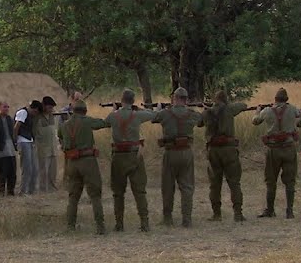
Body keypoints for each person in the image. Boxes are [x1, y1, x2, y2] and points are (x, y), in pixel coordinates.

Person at [105, 89, 157, 232]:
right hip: (134, 155)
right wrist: (139, 109)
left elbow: (106, 122)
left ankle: (119, 224)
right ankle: (145, 223)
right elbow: (153, 114)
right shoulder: (137, 115)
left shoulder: (113, 116)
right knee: (140, 191)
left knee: (118, 192)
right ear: (133, 101)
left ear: (121, 100)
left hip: (118, 156)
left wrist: (115, 111)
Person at [151, 87, 202, 227]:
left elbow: (154, 118)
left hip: (170, 152)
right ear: (186, 99)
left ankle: (167, 218)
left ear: (174, 98)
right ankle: (187, 219)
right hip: (186, 152)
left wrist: (159, 108)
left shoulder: (165, 113)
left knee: (168, 186)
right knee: (187, 186)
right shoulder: (192, 114)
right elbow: (201, 121)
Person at [252, 88, 301, 218]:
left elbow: (255, 121)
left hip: (273, 150)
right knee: (290, 181)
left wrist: (258, 110)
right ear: (286, 100)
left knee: (271, 181)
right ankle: (290, 211)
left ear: (275, 99)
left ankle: (270, 210)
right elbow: (299, 114)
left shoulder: (267, 111)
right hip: (289, 148)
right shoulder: (292, 109)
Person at [58, 99, 111, 234]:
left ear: (73, 111)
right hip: (87, 161)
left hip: (71, 163)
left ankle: (70, 226)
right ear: (85, 111)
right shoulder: (87, 121)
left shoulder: (64, 125)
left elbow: (60, 137)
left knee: (73, 197)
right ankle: (100, 227)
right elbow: (104, 123)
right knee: (95, 195)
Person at [202, 89, 251, 222]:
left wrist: (207, 108)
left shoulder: (207, 112)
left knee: (214, 184)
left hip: (213, 150)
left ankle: (216, 214)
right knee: (234, 182)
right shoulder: (230, 109)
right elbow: (244, 105)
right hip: (229, 150)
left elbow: (200, 123)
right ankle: (238, 214)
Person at [15, 99, 40, 195]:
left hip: (29, 141)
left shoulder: (30, 115)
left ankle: (30, 191)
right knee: (27, 168)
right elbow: (16, 127)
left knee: (34, 168)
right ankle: (23, 191)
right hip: (23, 141)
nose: (35, 114)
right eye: (36, 111)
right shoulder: (23, 112)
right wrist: (16, 142)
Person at [0, 101, 18, 196]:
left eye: (8, 107)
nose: (7, 109)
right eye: (4, 107)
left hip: (10, 149)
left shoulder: (9, 119)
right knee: (1, 173)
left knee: (12, 173)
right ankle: (1, 192)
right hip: (0, 150)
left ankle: (11, 192)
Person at [36, 95, 59, 191]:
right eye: (49, 107)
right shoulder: (37, 117)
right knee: (43, 169)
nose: (51, 109)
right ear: (43, 106)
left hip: (53, 147)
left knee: (53, 169)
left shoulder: (52, 116)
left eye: (52, 108)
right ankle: (42, 188)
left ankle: (52, 186)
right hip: (43, 147)